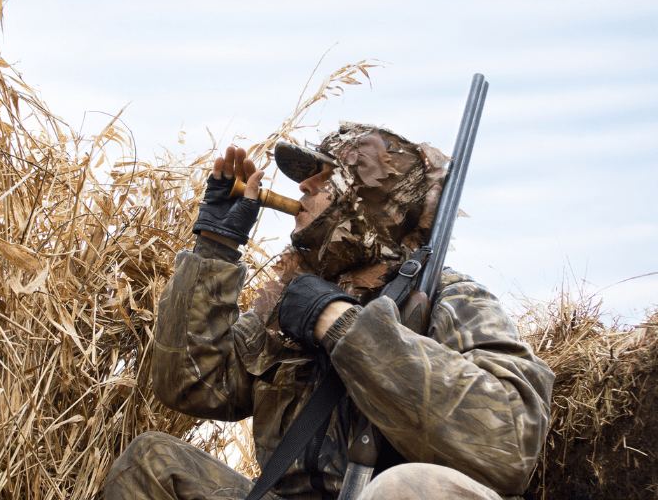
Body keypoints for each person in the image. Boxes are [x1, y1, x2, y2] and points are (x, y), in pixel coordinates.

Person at [105, 123, 554, 500]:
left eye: (324, 177)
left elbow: (510, 443)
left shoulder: (451, 298)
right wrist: (215, 246)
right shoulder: (290, 300)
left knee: (409, 487)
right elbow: (191, 386)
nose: (302, 187)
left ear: (366, 197)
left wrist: (340, 325)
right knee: (152, 462)